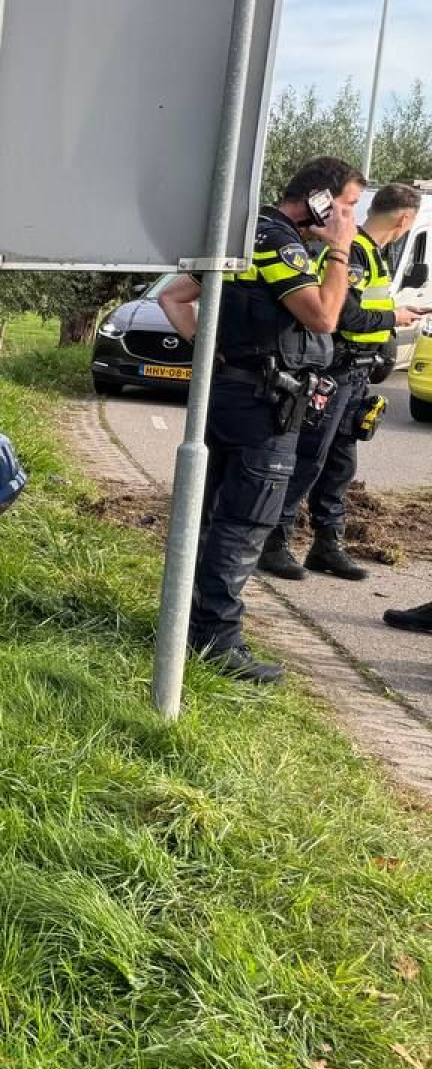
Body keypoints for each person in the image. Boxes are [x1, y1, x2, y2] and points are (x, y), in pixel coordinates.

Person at [157, 157, 363, 683]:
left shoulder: (245, 236)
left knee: (211, 516)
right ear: (319, 201)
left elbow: (172, 297)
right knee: (245, 523)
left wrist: (211, 351)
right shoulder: (280, 243)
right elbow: (324, 316)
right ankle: (217, 642)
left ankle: (183, 625)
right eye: (346, 207)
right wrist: (341, 248)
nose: (350, 219)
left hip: (232, 395)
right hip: (263, 407)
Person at [259, 182, 427, 582]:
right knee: (309, 459)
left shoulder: (372, 252)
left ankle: (326, 544)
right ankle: (274, 542)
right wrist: (395, 318)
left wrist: (391, 317)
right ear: (405, 219)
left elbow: (364, 306)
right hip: (335, 371)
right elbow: (346, 317)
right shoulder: (353, 251)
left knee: (340, 465)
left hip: (357, 374)